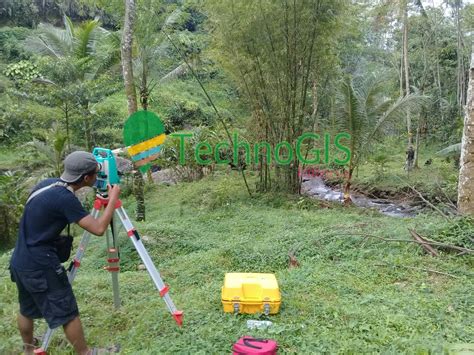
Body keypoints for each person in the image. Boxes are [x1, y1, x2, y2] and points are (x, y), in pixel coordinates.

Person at [9, 151, 121, 355]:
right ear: (86, 178)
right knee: (67, 311)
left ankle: (28, 349)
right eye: (96, 173)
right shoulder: (65, 199)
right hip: (41, 264)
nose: (98, 176)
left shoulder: (48, 184)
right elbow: (98, 229)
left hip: (20, 260)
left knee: (26, 309)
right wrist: (112, 200)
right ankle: (85, 352)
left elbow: (47, 211)